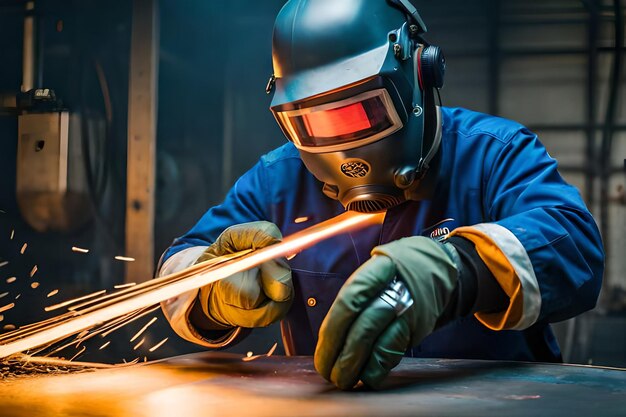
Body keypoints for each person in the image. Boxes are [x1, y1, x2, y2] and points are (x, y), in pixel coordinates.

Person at [157, 0, 604, 390]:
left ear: (419, 73)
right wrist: (211, 290)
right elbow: (176, 275)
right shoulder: (278, 178)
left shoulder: (493, 153)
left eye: (361, 111)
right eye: (313, 125)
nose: (343, 149)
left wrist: (461, 271)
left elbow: (575, 246)